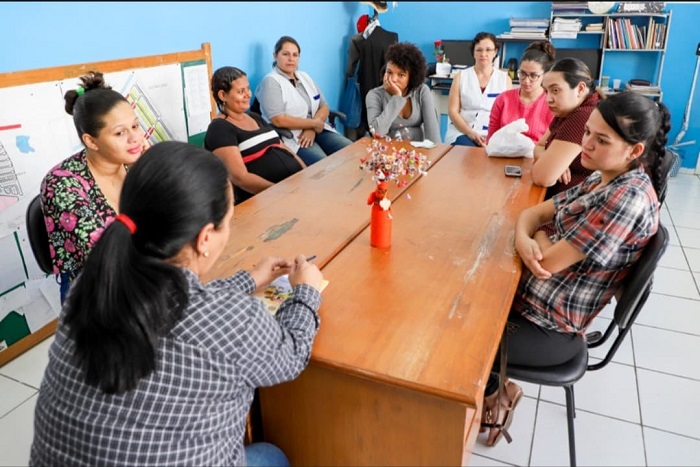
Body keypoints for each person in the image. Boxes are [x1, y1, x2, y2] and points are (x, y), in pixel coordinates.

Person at [30, 141, 325, 466]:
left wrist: (250, 279)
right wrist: (307, 291)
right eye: (227, 221)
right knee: (272, 455)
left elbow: (183, 305)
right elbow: (292, 355)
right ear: (205, 238)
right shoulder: (231, 320)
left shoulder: (91, 286)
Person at [480, 92, 670, 447]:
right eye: (587, 133)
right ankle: (495, 388)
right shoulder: (606, 176)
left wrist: (534, 238)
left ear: (635, 151)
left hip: (550, 322)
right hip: (535, 294)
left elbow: (546, 263)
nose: (586, 144)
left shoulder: (626, 197)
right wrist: (530, 237)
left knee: (456, 325)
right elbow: (534, 215)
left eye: (602, 140)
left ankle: (496, 394)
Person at [40, 71, 147, 303]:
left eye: (136, 126)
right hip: (94, 290)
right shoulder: (62, 183)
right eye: (120, 132)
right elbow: (106, 254)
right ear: (90, 140)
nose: (135, 138)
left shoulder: (133, 163)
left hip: (146, 270)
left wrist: (156, 165)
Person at [205, 66, 305, 205]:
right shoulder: (220, 128)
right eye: (241, 91)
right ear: (223, 95)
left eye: (248, 88)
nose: (248, 95)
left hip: (293, 189)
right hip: (267, 201)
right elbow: (240, 177)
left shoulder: (254, 117)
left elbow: (283, 148)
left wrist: (306, 173)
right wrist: (279, 192)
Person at [255, 35, 352, 166]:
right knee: (324, 166)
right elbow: (278, 119)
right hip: (294, 136)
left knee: (351, 150)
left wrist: (311, 128)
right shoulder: (271, 81)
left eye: (295, 55)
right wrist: (312, 125)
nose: (291, 59)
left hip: (316, 129)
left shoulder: (304, 76)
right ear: (275, 55)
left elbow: (324, 106)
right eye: (285, 54)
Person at [531, 58, 600, 200]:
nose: (548, 99)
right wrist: (552, 161)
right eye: (546, 91)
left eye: (555, 90)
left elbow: (542, 177)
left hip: (573, 208)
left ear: (580, 89)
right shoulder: (566, 111)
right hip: (560, 200)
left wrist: (550, 164)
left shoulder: (584, 116)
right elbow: (538, 146)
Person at [445, 32, 513, 147]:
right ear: (473, 52)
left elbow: (507, 114)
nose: (483, 54)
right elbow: (453, 112)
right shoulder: (461, 77)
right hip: (463, 132)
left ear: (495, 52)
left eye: (488, 50)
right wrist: (470, 133)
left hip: (493, 134)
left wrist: (496, 136)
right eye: (479, 50)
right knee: (469, 153)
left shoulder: (504, 79)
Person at [365, 42, 441, 143]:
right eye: (389, 72)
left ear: (412, 77)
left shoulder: (421, 91)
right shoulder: (374, 95)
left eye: (401, 75)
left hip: (417, 153)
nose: (393, 79)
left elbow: (433, 136)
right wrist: (397, 98)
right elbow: (377, 132)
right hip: (386, 153)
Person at [487, 41, 556, 145]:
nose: (526, 80)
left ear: (545, 75)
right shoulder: (503, 99)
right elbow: (491, 139)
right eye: (522, 73)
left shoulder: (552, 104)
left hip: (535, 158)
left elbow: (551, 146)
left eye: (533, 76)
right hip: (502, 155)